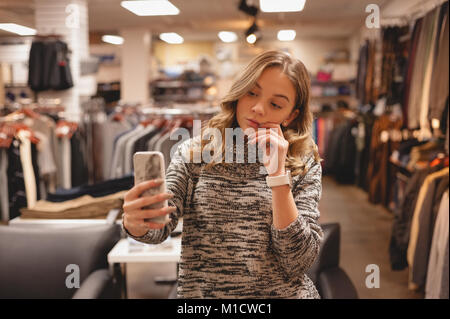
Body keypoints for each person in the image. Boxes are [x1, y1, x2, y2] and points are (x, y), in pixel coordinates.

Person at [122, 50, 324, 298]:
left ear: (291, 115)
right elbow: (157, 231)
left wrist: (279, 178)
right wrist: (136, 222)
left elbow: (298, 261)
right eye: (252, 92)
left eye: (275, 104)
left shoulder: (304, 163)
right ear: (239, 93)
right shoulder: (195, 153)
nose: (259, 108)